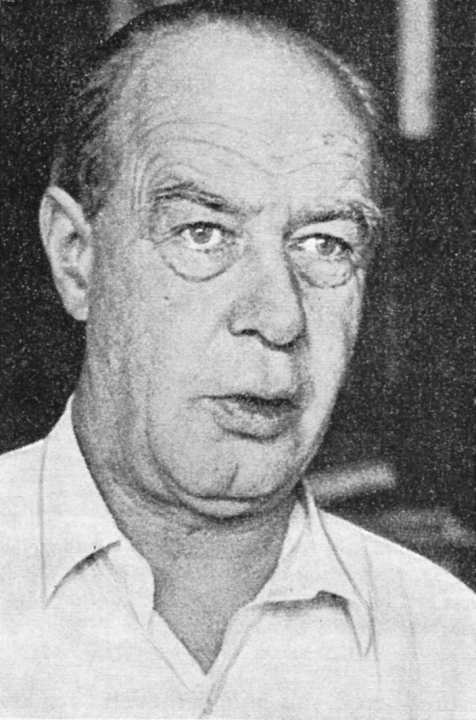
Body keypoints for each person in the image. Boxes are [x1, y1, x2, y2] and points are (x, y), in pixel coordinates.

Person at [0, 2, 475, 717]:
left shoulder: (448, 649)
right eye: (203, 232)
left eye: (325, 244)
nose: (280, 317)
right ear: (76, 257)